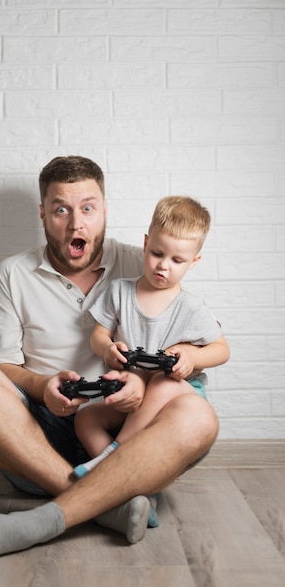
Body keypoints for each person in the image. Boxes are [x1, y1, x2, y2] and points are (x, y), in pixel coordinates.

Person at [0, 156, 220, 566]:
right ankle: (109, 504)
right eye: (60, 210)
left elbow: (193, 341)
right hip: (38, 438)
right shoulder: (11, 275)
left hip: (128, 434)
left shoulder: (148, 262)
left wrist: (142, 380)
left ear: (105, 209)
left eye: (87, 208)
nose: (75, 225)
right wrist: (42, 387)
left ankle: (59, 512)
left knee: (200, 417)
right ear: (43, 214)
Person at [72, 196, 230, 479]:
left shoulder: (191, 307)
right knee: (85, 418)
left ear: (193, 262)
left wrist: (192, 356)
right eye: (157, 253)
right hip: (133, 393)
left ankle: (111, 460)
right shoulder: (119, 291)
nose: (163, 266)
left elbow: (221, 350)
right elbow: (98, 335)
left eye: (177, 260)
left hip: (177, 394)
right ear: (146, 244)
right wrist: (107, 349)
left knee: (161, 380)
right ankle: (129, 489)